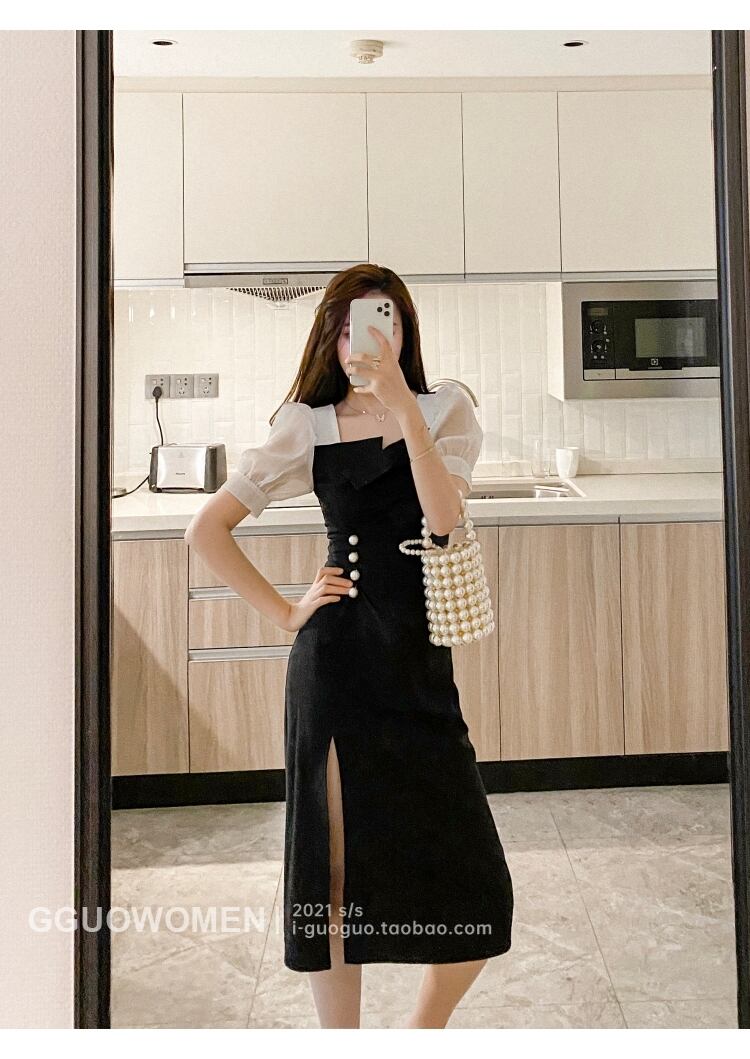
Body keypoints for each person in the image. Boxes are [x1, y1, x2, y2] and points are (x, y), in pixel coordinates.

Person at [185, 263, 514, 1029]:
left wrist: (401, 405)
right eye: (347, 323)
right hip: (335, 666)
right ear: (329, 336)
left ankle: (420, 1031)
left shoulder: (447, 407)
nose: (362, 336)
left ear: (404, 330)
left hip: (417, 663)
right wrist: (284, 611)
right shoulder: (307, 424)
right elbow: (207, 528)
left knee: (479, 882)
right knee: (334, 874)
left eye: (382, 317)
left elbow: (443, 521)